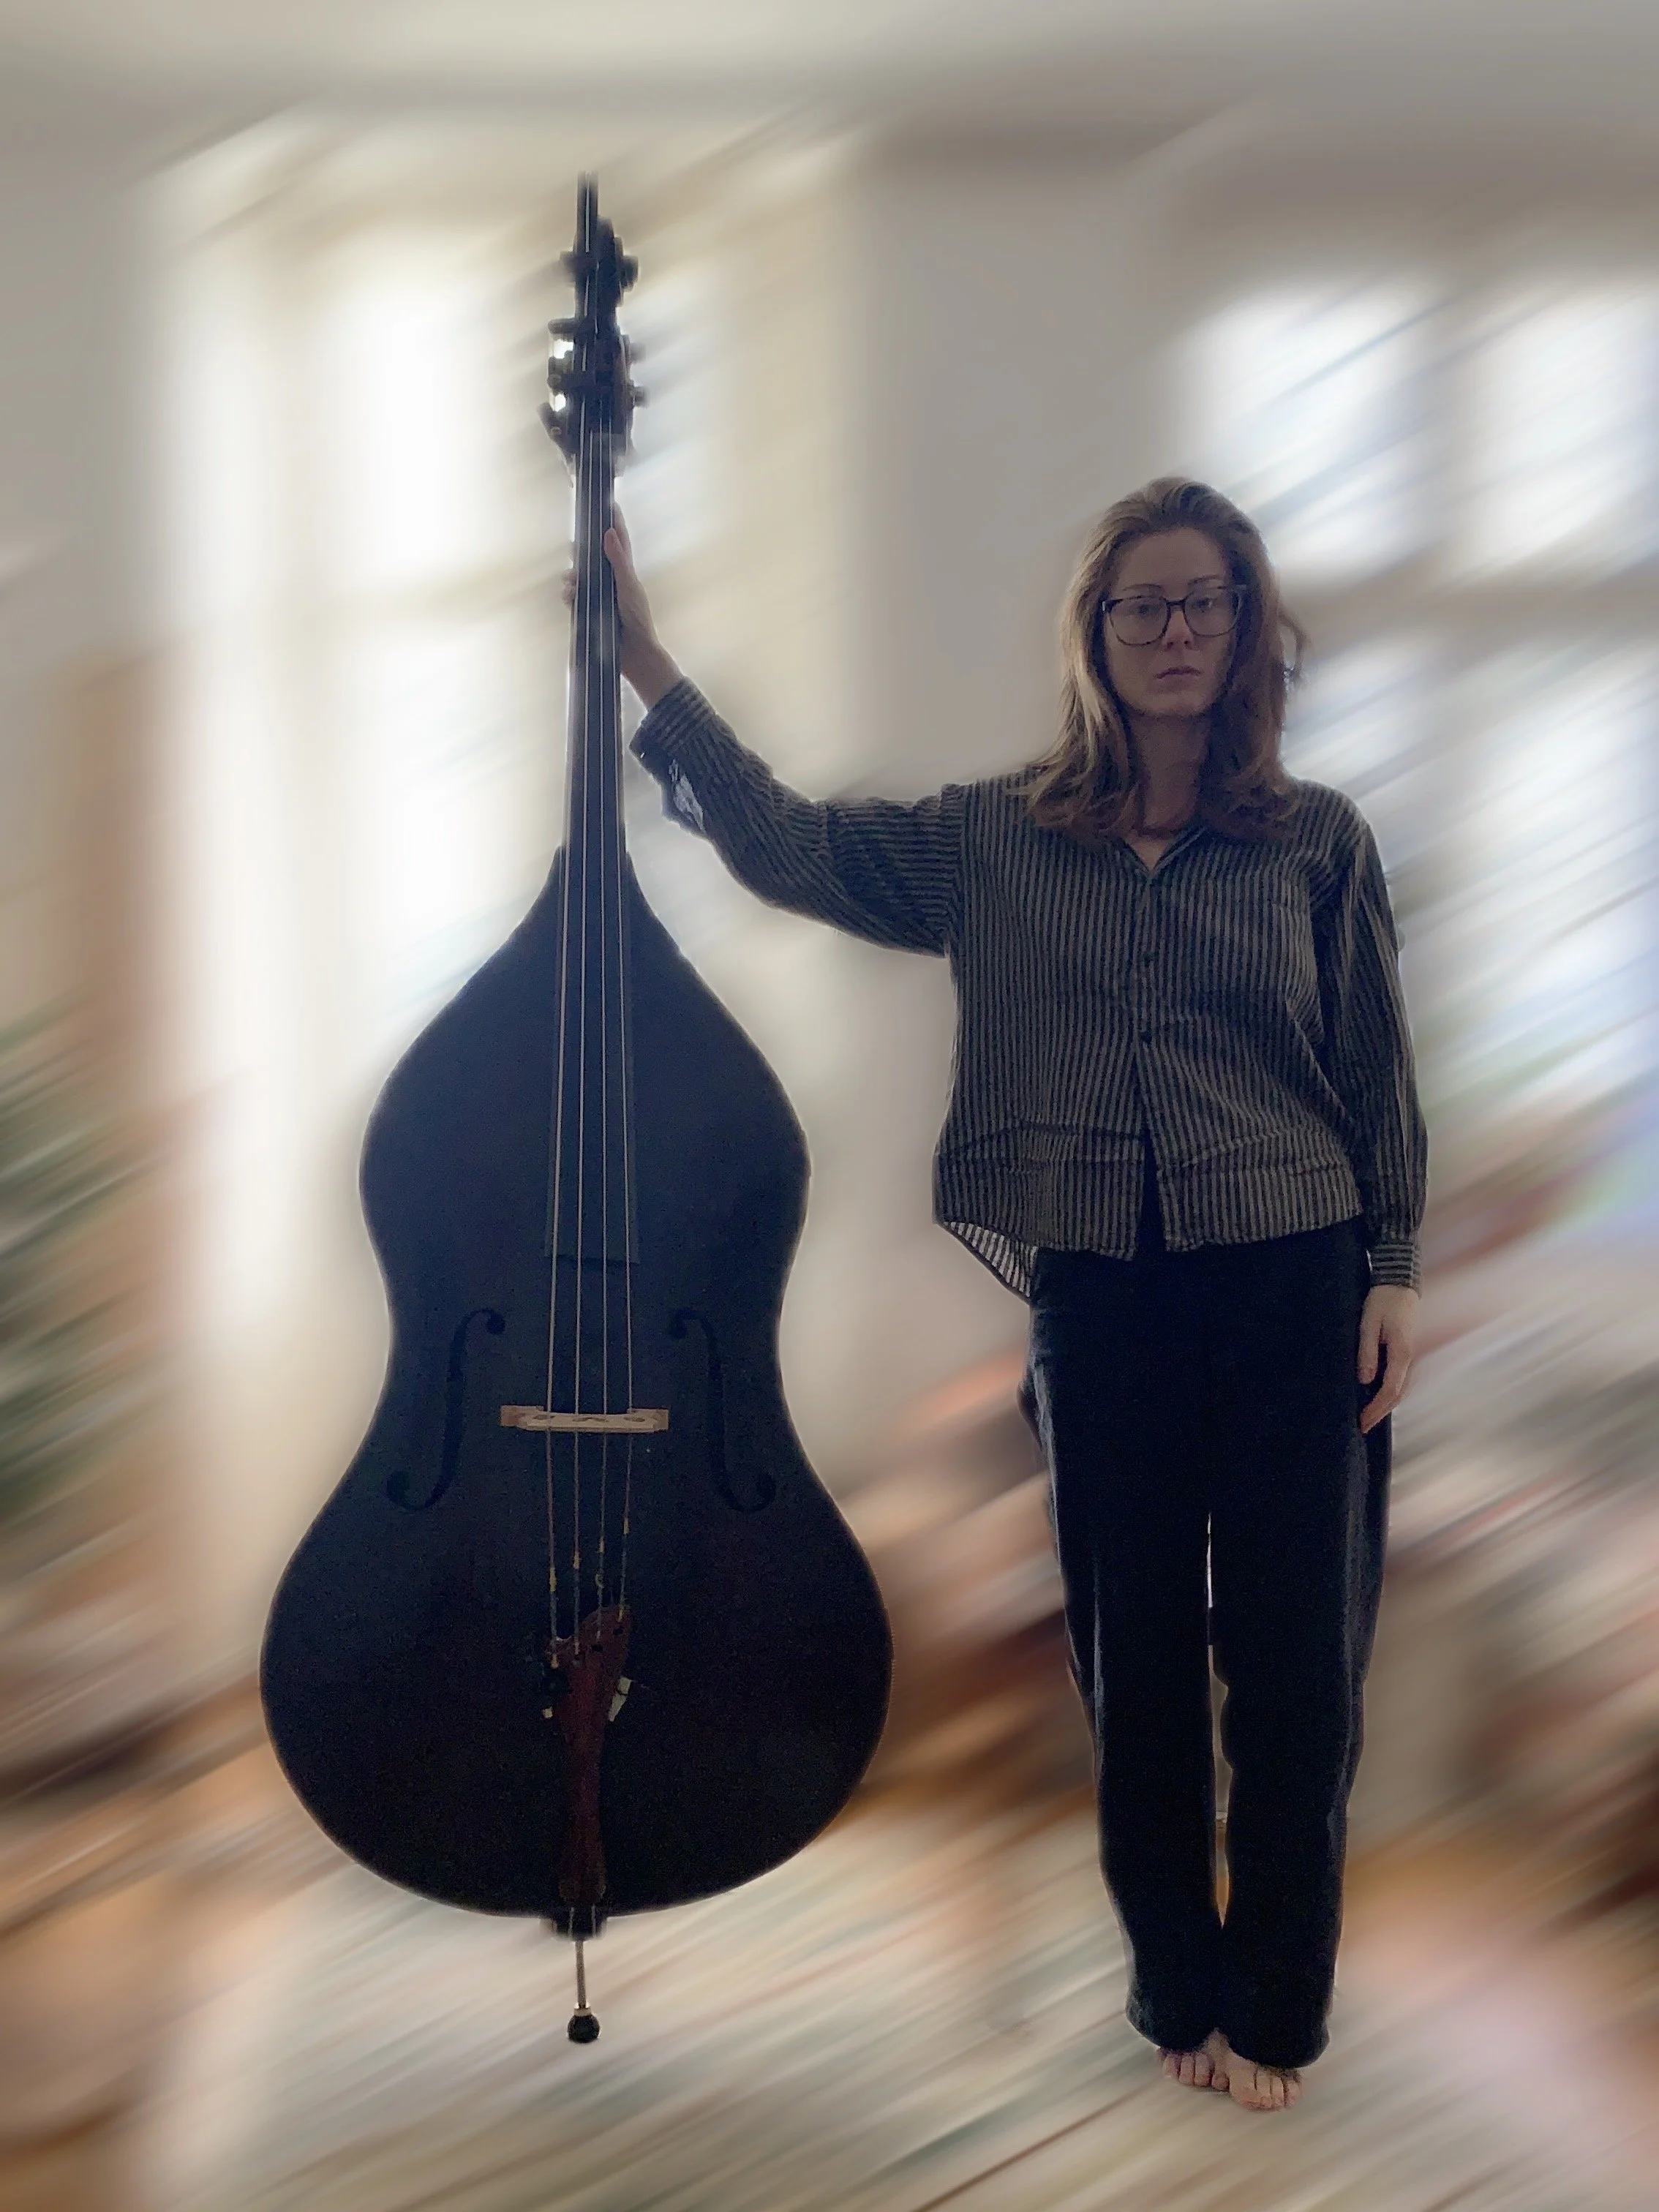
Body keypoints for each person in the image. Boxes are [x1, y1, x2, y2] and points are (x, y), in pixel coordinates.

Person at [583, 476, 1428, 2115]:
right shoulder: (994, 839)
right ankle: (1178, 1983)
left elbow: (1372, 1066)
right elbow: (791, 848)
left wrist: (1392, 1264)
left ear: (1246, 629)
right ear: (1094, 634)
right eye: (1142, 605)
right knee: (1133, 1667)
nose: (1175, 631)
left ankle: (1280, 2006)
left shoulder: (1318, 840)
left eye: (1205, 602)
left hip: (1296, 1278)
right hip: (1100, 1293)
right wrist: (644, 664)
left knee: (1299, 1665)